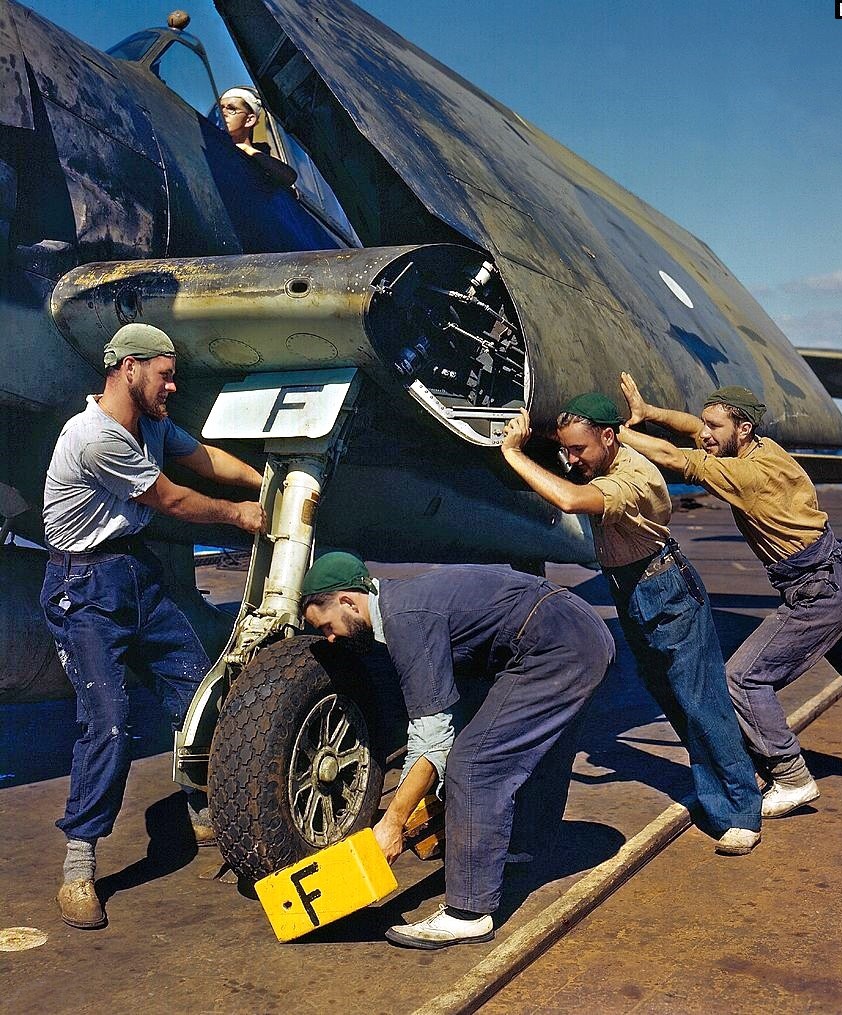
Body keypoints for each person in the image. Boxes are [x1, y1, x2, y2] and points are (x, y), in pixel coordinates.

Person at [617, 374, 842, 818]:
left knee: (742, 679)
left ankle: (791, 777)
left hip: (817, 589)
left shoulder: (744, 473)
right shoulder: (764, 448)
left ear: (743, 429)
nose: (706, 434)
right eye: (706, 425)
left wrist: (612, 431)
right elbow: (691, 430)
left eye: (715, 427)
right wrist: (649, 412)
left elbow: (672, 457)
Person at [41, 323, 266, 930]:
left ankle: (200, 806)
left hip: (134, 576)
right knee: (109, 722)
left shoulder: (152, 424)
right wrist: (241, 514)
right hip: (83, 587)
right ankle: (79, 867)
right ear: (128, 368)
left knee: (195, 693)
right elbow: (172, 499)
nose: (173, 384)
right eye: (165, 374)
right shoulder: (94, 437)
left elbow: (202, 460)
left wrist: (264, 481)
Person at [299, 552, 614, 949]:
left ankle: (467, 913)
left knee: (473, 763)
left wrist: (392, 823)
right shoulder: (404, 601)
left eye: (327, 626)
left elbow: (433, 737)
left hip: (559, 643)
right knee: (521, 747)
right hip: (576, 634)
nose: (331, 638)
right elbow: (438, 723)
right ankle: (521, 850)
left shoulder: (405, 620)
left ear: (348, 601)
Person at [500, 394, 762, 856]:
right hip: (630, 588)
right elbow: (574, 470)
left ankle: (741, 811)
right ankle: (717, 792)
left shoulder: (633, 478)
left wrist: (514, 453)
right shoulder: (600, 461)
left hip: (665, 591)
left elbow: (569, 499)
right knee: (675, 701)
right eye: (565, 450)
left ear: (608, 436)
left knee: (703, 702)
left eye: (579, 450)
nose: (570, 459)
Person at [218, 86, 298, 189]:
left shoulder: (261, 159)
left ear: (249, 120)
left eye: (231, 109)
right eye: (220, 108)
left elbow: (289, 177)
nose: (223, 113)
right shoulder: (212, 143)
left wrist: (246, 149)